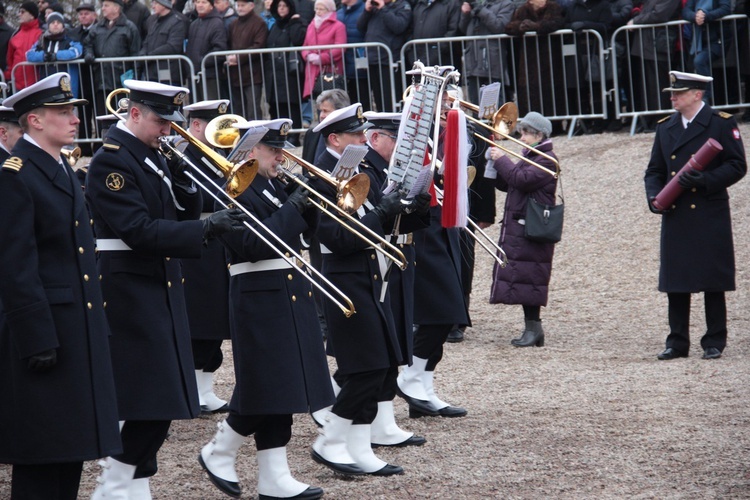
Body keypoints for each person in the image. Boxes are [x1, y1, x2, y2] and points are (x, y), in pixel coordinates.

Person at [84, 79, 247, 498]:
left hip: (156, 281)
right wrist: (206, 226)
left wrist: (186, 184)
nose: (167, 130)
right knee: (151, 397)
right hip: (128, 285)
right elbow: (137, 230)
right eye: (160, 121)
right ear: (134, 114)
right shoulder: (112, 160)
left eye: (171, 122)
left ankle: (133, 484)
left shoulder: (148, 154)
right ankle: (115, 482)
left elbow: (175, 215)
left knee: (164, 396)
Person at [0, 72, 121, 500]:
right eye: (64, 112)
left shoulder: (59, 167)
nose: (74, 120)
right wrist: (35, 338)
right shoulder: (16, 173)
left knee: (70, 448)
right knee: (41, 454)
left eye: (74, 111)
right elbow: (16, 264)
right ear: (34, 120)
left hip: (74, 328)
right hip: (44, 334)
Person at [198, 118, 332, 500]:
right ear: (252, 149)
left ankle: (274, 476)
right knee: (265, 383)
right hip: (257, 292)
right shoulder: (234, 186)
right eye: (274, 149)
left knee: (284, 387)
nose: (281, 157)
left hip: (286, 287)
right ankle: (219, 449)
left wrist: (309, 204)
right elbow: (255, 246)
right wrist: (295, 205)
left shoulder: (273, 185)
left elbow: (299, 234)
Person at [308, 103, 406, 476]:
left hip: (369, 275)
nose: (364, 140)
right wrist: (382, 215)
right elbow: (335, 237)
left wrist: (408, 205)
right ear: (335, 139)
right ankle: (330, 440)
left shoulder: (358, 170)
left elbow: (376, 218)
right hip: (343, 277)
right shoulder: (320, 179)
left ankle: (359, 448)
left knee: (378, 368)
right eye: (355, 135)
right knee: (365, 368)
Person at [644, 71, 747, 360]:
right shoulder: (666, 127)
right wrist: (654, 197)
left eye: (679, 92)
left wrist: (704, 180)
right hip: (676, 211)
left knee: (712, 278)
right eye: (672, 92)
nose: (672, 97)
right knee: (677, 280)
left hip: (708, 210)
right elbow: (654, 170)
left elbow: (737, 165)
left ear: (697, 95)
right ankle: (677, 342)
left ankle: (714, 340)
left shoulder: (720, 123)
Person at [396, 95, 470, 418]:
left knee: (449, 312)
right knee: (439, 312)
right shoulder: (414, 133)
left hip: (446, 225)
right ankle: (410, 377)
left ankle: (423, 385)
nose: (446, 113)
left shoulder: (444, 132)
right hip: (426, 230)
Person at [360, 110, 429, 447]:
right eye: (394, 137)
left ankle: (383, 419)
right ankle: (367, 416)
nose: (401, 144)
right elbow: (373, 221)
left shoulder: (387, 169)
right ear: (376, 139)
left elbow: (401, 220)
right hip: (380, 260)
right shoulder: (367, 172)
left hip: (397, 256)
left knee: (396, 338)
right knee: (382, 344)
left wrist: (420, 204)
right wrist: (393, 207)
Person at [176, 99, 233, 415]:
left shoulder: (220, 156)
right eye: (216, 126)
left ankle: (205, 386)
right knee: (202, 321)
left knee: (216, 321)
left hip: (220, 243)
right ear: (196, 126)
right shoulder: (185, 160)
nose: (223, 134)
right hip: (200, 245)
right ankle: (195, 388)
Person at [484, 111, 559, 347]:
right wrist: (494, 167)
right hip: (524, 225)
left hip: (533, 227)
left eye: (526, 133)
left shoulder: (546, 159)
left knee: (532, 277)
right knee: (528, 277)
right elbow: (512, 182)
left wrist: (501, 159)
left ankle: (534, 328)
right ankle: (533, 329)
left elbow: (522, 180)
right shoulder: (533, 155)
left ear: (539, 135)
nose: (522, 137)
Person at [83, 0, 141, 134]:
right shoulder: (97, 27)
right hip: (101, 79)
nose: (102, 8)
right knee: (102, 115)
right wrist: (89, 54)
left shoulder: (129, 27)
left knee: (122, 114)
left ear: (116, 8)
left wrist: (135, 79)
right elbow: (88, 44)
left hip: (120, 80)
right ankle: (102, 144)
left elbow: (135, 54)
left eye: (106, 5)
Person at [505, 0, 565, 119]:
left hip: (550, 59)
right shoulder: (522, 10)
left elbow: (557, 23)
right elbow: (509, 27)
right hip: (528, 61)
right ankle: (529, 123)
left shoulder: (554, 8)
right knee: (529, 94)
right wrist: (520, 27)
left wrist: (537, 26)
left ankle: (554, 123)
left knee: (551, 92)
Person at [356, 0, 412, 113]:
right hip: (372, 59)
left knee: (390, 100)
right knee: (378, 99)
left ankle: (391, 126)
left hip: (389, 60)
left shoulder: (402, 5)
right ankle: (382, 125)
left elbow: (399, 26)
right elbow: (360, 27)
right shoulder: (374, 8)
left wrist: (383, 9)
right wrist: (367, 11)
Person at [458, 0, 515, 107]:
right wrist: (465, 14)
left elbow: (499, 26)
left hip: (492, 65)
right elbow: (463, 29)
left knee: (493, 109)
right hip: (473, 63)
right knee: (476, 108)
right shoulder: (479, 4)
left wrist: (479, 9)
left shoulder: (506, 4)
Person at [264, 0, 306, 142]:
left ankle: (293, 135)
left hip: (289, 73)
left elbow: (297, 38)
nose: (281, 9)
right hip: (274, 72)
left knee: (291, 104)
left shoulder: (296, 23)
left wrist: (295, 23)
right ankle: (278, 134)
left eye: (284, 6)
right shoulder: (275, 25)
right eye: (279, 6)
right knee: (275, 105)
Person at [682, 0, 731, 104]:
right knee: (695, 65)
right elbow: (686, 11)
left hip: (717, 39)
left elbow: (725, 8)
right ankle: (702, 99)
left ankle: (705, 98)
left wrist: (706, 16)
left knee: (699, 61)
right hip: (699, 41)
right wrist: (695, 16)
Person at [26, 12, 83, 98]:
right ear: (48, 25)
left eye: (58, 23)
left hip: (66, 84)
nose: (55, 25)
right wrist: (43, 56)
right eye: (53, 23)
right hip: (46, 82)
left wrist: (56, 56)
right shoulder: (42, 41)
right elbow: (29, 54)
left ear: (63, 25)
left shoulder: (69, 39)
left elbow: (76, 51)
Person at [226, 0, 268, 119]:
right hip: (236, 73)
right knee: (239, 108)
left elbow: (258, 46)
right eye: (238, 5)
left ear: (251, 6)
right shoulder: (233, 24)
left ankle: (256, 135)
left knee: (253, 108)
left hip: (252, 73)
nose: (240, 8)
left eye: (243, 5)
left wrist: (238, 58)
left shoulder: (259, 23)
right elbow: (228, 45)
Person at [301, 0, 346, 103]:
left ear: (329, 10)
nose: (318, 11)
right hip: (313, 69)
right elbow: (305, 45)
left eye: (321, 9)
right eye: (316, 9)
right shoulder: (311, 25)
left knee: (332, 101)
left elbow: (340, 47)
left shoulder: (338, 26)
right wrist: (307, 55)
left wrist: (322, 58)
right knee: (318, 101)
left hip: (330, 69)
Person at [185, 0, 228, 101]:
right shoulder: (194, 24)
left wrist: (201, 61)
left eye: (204, 2)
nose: (200, 5)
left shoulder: (217, 23)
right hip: (194, 74)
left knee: (210, 110)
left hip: (210, 75)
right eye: (198, 2)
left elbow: (220, 50)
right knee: (196, 111)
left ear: (211, 6)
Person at [139, 0, 187, 85]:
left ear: (164, 4)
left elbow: (173, 46)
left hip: (168, 71)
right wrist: (142, 54)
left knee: (170, 97)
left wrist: (151, 56)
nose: (153, 6)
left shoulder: (177, 21)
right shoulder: (152, 21)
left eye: (156, 3)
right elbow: (147, 41)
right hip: (151, 71)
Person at [337, 0, 369, 109]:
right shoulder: (339, 13)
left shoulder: (366, 10)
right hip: (343, 66)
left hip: (360, 64)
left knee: (363, 101)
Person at [5, 2, 42, 91]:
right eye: (19, 12)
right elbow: (10, 59)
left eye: (22, 12)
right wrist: (8, 76)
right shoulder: (15, 35)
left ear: (32, 15)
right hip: (17, 85)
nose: (19, 14)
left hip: (36, 84)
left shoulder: (40, 34)